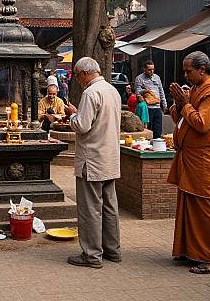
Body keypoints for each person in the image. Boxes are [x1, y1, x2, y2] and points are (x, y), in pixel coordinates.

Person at [168, 51, 210, 274]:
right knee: (189, 206)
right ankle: (191, 251)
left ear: (202, 70)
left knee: (207, 208)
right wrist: (178, 107)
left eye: (189, 71)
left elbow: (202, 123)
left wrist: (185, 105)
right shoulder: (196, 89)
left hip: (205, 160)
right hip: (191, 158)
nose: (186, 75)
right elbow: (186, 122)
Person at [66, 57, 122, 268]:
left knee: (90, 209)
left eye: (78, 76)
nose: (79, 81)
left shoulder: (90, 93)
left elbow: (82, 125)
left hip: (92, 159)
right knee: (109, 207)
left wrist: (72, 116)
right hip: (109, 158)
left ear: (84, 73)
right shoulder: (112, 90)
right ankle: (112, 250)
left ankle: (92, 255)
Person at [135, 60, 167, 139]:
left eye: (153, 69)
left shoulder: (157, 77)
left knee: (157, 130)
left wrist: (164, 104)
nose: (151, 71)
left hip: (157, 107)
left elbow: (161, 91)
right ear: (144, 69)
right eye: (149, 70)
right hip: (147, 108)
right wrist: (145, 91)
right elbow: (137, 92)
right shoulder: (139, 78)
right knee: (148, 130)